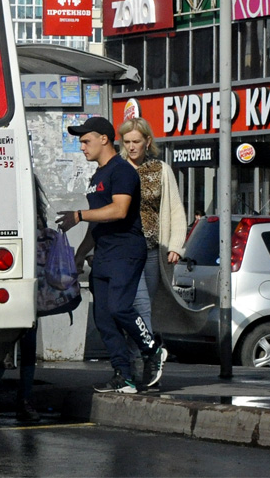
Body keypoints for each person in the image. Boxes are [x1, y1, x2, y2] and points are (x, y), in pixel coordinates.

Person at [57, 116, 166, 394]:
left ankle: (152, 348)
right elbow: (98, 223)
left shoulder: (122, 171)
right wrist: (80, 254)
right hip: (104, 253)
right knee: (104, 318)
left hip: (126, 251)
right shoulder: (97, 176)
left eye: (85, 140)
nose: (82, 146)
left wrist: (79, 215)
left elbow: (118, 210)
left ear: (104, 139)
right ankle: (124, 377)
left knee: (119, 307)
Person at [118, 117, 187, 372]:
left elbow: (176, 210)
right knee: (140, 305)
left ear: (148, 141)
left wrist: (176, 245)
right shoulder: (118, 169)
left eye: (136, 141)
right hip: (125, 252)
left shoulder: (161, 170)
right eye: (127, 142)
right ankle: (145, 360)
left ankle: (136, 362)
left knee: (143, 307)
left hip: (151, 251)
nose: (132, 147)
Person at [0, 179, 48, 423]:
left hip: (27, 283)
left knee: (26, 344)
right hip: (7, 281)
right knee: (7, 343)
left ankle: (23, 398)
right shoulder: (2, 211)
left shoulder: (32, 212)